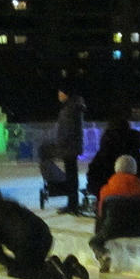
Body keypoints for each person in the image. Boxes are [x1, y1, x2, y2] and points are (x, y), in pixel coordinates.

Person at [0, 187, 89, 279]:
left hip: (26, 246)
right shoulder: (14, 206)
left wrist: (10, 264)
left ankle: (55, 269)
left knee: (19, 274)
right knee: (34, 267)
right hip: (45, 238)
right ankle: (69, 265)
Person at [90, 154, 140, 270]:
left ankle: (104, 255)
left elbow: (101, 215)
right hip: (138, 230)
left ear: (116, 168)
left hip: (113, 229)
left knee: (94, 242)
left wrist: (99, 232)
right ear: (134, 169)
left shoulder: (106, 190)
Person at [39, 82, 86, 214]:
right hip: (71, 146)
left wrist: (59, 144)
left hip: (69, 147)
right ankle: (72, 203)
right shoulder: (72, 107)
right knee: (72, 175)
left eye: (60, 93)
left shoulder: (70, 109)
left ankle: (72, 204)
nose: (58, 95)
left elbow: (67, 130)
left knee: (71, 176)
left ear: (66, 94)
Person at [86, 117, 140, 196]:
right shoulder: (134, 150)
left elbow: (93, 176)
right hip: (135, 197)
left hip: (107, 197)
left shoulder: (104, 152)